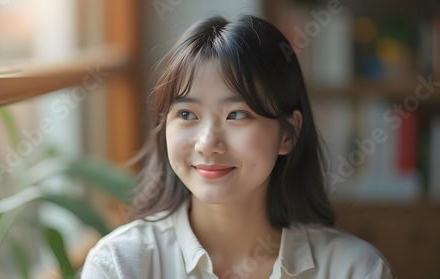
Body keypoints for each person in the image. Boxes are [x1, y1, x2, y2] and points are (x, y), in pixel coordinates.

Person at [81, 15, 393, 279]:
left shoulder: (354, 269)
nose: (207, 144)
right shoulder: (120, 265)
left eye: (237, 115)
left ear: (288, 133)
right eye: (187, 114)